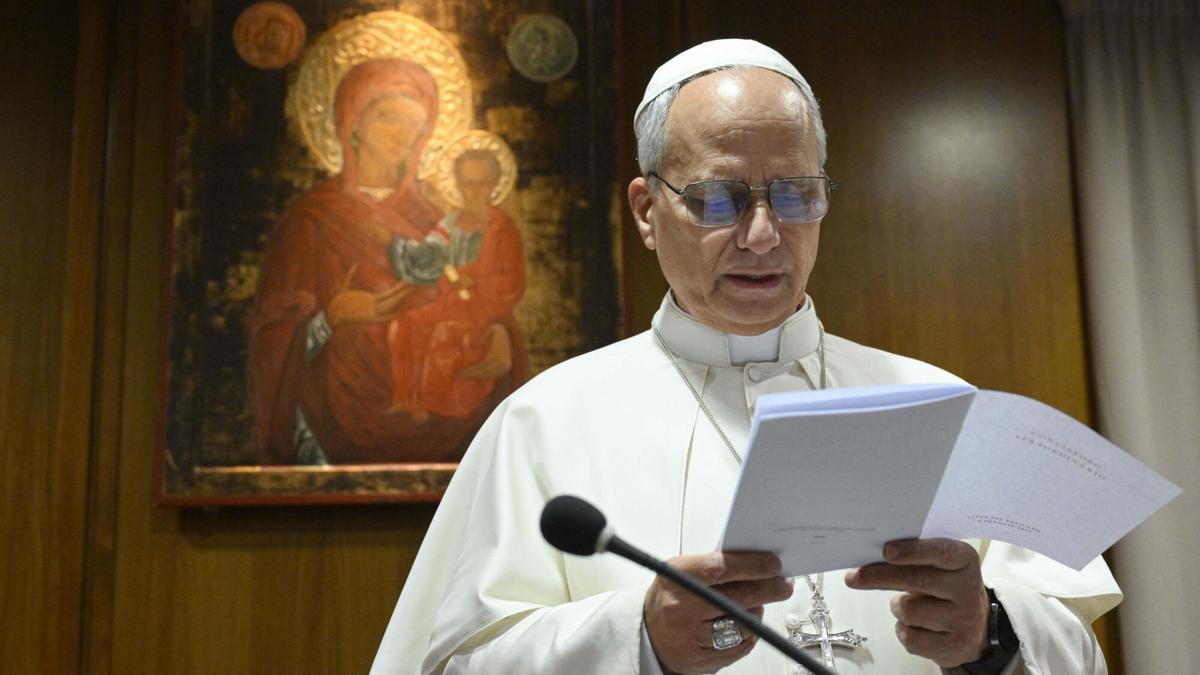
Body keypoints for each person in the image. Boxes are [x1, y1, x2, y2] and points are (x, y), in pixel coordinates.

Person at [371, 40, 1121, 674]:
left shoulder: (948, 401)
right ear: (645, 210)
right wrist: (636, 636)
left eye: (795, 195)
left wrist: (990, 629)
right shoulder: (537, 421)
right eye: (720, 199)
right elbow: (453, 661)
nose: (764, 234)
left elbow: (1082, 647)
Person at [249, 58, 496, 464]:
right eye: (388, 117)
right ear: (353, 120)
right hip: (331, 416)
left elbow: (475, 300)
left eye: (414, 122)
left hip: (437, 415)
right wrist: (332, 318)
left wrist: (495, 333)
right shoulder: (310, 220)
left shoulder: (436, 219)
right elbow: (271, 340)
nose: (403, 133)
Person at [386, 148, 527, 420]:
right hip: (448, 303)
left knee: (444, 334)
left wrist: (473, 278)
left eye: (481, 184)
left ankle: (431, 404)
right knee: (401, 327)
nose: (473, 191)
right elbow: (430, 255)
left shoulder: (501, 229)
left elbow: (512, 283)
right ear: (458, 185)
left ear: (494, 184)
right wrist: (397, 244)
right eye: (467, 183)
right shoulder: (450, 223)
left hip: (484, 311)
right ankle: (405, 398)